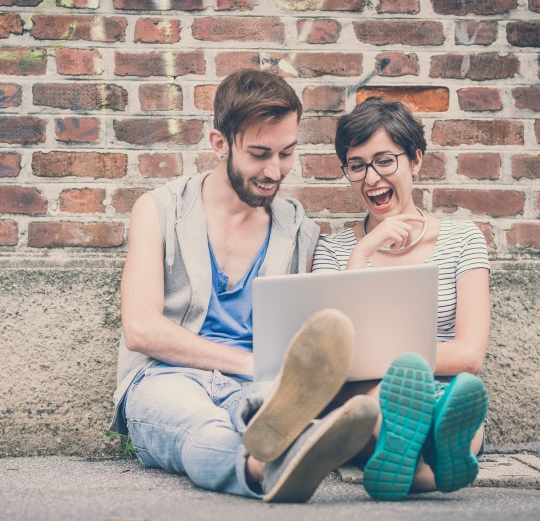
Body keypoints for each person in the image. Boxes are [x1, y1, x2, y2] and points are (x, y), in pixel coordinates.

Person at [109, 69, 379, 503]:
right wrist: (248, 362)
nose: (275, 171)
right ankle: (261, 464)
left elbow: (310, 326)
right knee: (201, 426)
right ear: (221, 143)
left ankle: (300, 443)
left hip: (256, 387)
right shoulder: (158, 209)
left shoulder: (299, 230)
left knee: (270, 408)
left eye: (287, 153)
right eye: (259, 154)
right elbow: (142, 328)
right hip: (166, 378)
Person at [312, 97, 491, 501]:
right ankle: (435, 467)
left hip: (443, 389)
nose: (370, 178)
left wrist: (395, 363)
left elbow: (468, 355)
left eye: (384, 160)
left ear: (415, 160)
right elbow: (336, 354)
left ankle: (418, 454)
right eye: (356, 165)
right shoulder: (334, 251)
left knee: (455, 400)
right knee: (376, 399)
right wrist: (362, 253)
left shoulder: (463, 239)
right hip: (365, 395)